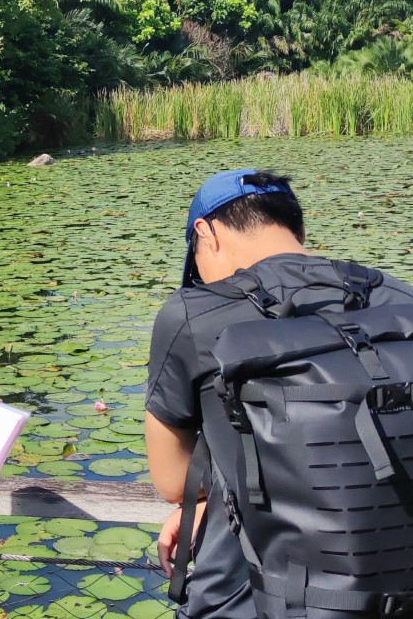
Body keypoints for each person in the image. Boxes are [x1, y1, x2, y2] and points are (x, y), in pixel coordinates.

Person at [145, 169, 413, 619]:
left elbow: (172, 481)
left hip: (248, 599)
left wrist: (217, 487)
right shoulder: (397, 295)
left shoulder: (191, 315)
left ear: (205, 233)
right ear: (297, 228)